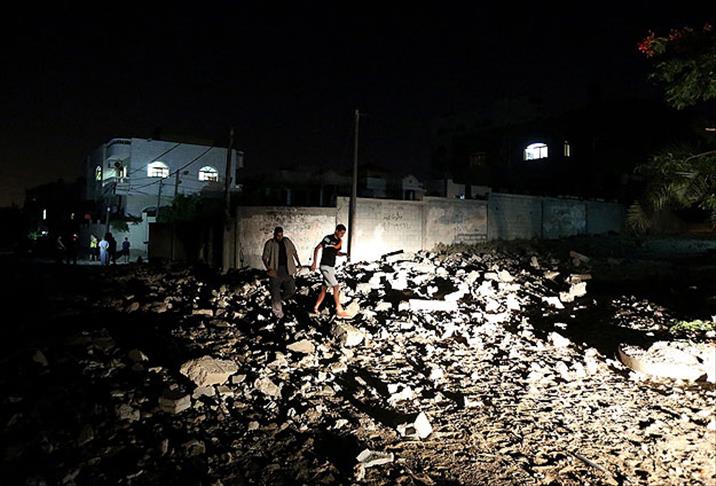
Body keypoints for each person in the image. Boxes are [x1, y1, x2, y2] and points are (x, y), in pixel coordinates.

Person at [262, 226, 302, 319]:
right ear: (274, 235)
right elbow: (264, 257)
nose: (279, 237)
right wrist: (269, 269)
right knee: (275, 291)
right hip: (275, 270)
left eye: (281, 235)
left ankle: (280, 300)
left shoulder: (286, 241)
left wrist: (299, 263)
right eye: (278, 235)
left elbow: (294, 251)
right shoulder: (270, 243)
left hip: (287, 269)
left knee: (291, 289)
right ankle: (278, 313)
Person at [311, 224, 349, 317]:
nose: (342, 235)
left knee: (324, 288)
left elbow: (336, 252)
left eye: (343, 234)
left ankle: (315, 307)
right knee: (336, 286)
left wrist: (344, 254)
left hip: (331, 267)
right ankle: (339, 309)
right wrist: (314, 263)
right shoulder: (328, 238)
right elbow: (317, 248)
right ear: (336, 231)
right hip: (325, 266)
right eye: (341, 233)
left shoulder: (339, 241)